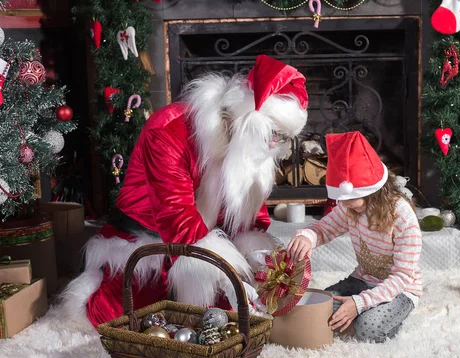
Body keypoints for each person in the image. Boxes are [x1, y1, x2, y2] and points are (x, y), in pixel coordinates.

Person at [60, 55, 309, 327]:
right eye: (272, 131)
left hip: (207, 235)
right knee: (127, 316)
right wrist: (227, 275)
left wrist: (256, 257)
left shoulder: (252, 144)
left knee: (230, 313)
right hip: (149, 235)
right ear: (249, 115)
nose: (275, 143)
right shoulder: (169, 130)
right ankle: (99, 286)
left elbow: (249, 213)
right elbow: (177, 220)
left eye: (284, 137)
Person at [287, 131, 422, 343]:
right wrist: (306, 237)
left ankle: (383, 313)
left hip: (400, 289)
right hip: (362, 280)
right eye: (341, 198)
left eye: (349, 198)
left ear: (372, 190)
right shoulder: (350, 208)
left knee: (367, 329)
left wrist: (359, 304)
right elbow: (323, 229)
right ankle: (360, 308)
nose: (343, 203)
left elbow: (402, 276)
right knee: (317, 309)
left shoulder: (403, 217)